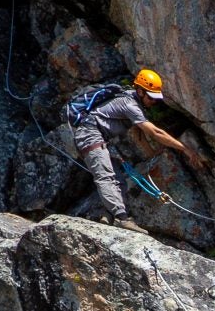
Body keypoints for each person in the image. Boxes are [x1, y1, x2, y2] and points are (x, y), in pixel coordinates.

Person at [64, 69, 198, 229]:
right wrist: (184, 149)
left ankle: (107, 215)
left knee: (118, 179)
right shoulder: (129, 104)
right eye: (151, 97)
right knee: (105, 177)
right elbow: (155, 132)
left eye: (155, 99)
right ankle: (123, 218)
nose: (153, 102)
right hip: (90, 135)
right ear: (140, 91)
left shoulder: (131, 102)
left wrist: (151, 154)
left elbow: (137, 131)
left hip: (96, 136)